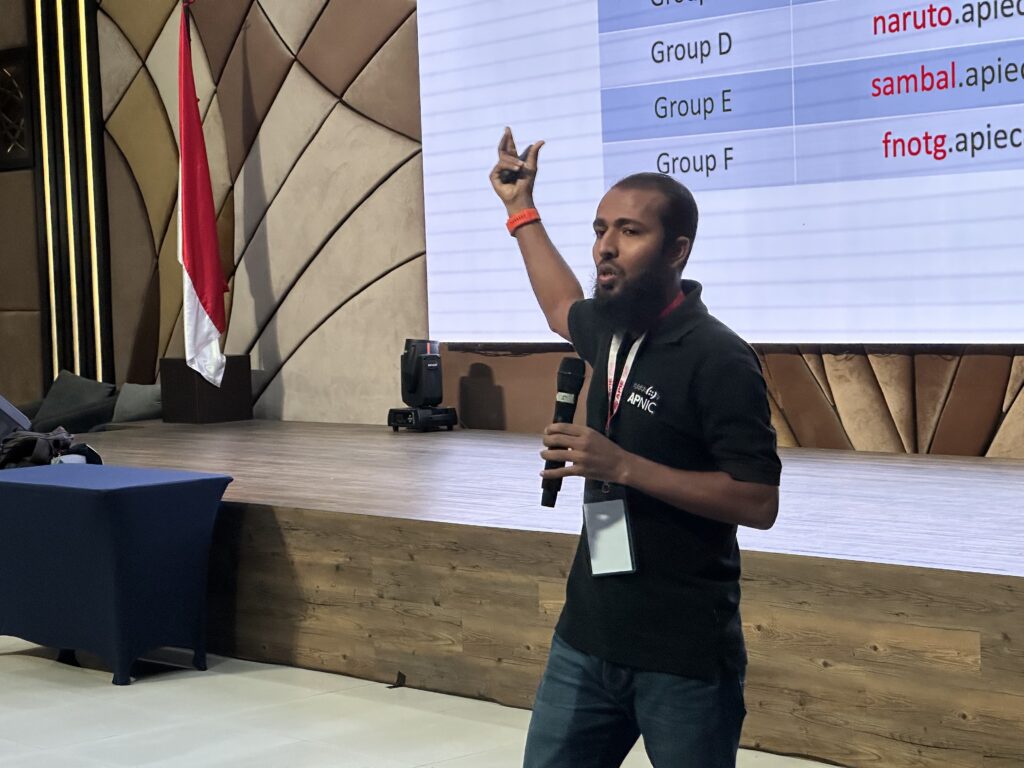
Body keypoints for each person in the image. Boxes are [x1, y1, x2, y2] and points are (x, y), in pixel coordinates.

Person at [489, 127, 782, 768]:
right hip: (588, 636)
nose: (606, 246)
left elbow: (758, 501)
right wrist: (521, 209)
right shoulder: (612, 328)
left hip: (682, 655)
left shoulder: (719, 357)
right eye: (600, 230)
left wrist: (622, 466)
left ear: (677, 251)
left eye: (629, 231)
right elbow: (560, 304)